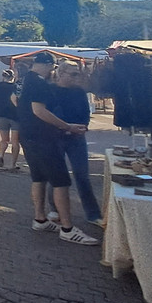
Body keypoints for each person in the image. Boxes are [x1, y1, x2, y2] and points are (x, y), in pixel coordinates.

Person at [17, 52, 98, 245]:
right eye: (52, 69)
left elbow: (18, 103)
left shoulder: (23, 80)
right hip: (44, 139)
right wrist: (67, 126)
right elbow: (39, 111)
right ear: (48, 66)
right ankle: (68, 228)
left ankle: (40, 218)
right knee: (61, 182)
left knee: (39, 178)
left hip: (28, 137)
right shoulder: (39, 83)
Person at [50, 63, 102, 224]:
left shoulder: (79, 92)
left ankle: (93, 214)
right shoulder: (51, 90)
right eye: (73, 74)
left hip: (77, 136)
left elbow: (86, 113)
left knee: (82, 175)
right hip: (56, 136)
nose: (76, 78)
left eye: (77, 74)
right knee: (56, 175)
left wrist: (82, 127)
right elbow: (48, 113)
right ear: (61, 74)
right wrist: (63, 128)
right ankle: (54, 208)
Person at [0, 69, 21, 170]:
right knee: (15, 141)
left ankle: (0, 155)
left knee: (4, 140)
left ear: (3, 77)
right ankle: (13, 164)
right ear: (13, 77)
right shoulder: (15, 87)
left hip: (1, 115)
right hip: (15, 116)